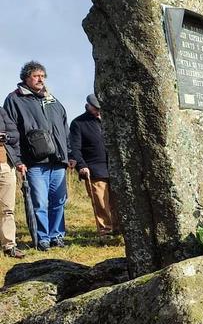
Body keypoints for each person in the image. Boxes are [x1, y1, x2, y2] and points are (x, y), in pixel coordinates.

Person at [4, 61, 69, 251]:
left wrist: (69, 154)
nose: (41, 79)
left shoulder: (52, 100)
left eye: (42, 76)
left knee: (58, 201)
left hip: (58, 160)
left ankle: (57, 236)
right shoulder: (14, 99)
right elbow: (12, 132)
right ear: (26, 78)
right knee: (39, 202)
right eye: (36, 76)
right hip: (34, 162)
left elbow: (64, 128)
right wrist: (18, 160)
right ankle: (43, 239)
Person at [69, 93, 118, 236]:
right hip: (94, 169)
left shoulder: (110, 120)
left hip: (114, 167)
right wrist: (81, 166)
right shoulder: (78, 123)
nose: (98, 111)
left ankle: (119, 229)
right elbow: (75, 148)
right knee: (100, 203)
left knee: (117, 203)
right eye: (96, 108)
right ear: (88, 106)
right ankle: (105, 231)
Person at [0, 106, 24, 258]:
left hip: (5, 166)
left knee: (7, 209)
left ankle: (9, 246)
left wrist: (5, 137)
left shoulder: (1, 111)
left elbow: (15, 135)